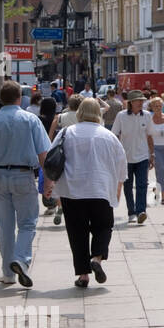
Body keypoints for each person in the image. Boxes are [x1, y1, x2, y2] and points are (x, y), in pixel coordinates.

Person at [0, 81, 53, 288]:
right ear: (19, 98)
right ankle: (21, 260)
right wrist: (48, 181)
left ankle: (7, 273)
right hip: (23, 176)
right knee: (28, 223)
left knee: (5, 227)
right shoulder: (30, 119)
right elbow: (43, 153)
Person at [51, 98, 128, 288]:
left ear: (79, 113)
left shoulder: (66, 133)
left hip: (72, 190)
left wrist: (52, 185)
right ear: (99, 113)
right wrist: (117, 189)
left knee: (77, 232)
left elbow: (52, 156)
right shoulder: (108, 136)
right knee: (103, 226)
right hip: (100, 189)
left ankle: (83, 274)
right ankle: (97, 258)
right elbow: (121, 165)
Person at [112, 90, 155, 224]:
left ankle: (141, 211)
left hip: (142, 156)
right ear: (131, 103)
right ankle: (131, 212)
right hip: (125, 157)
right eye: (138, 100)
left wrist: (152, 154)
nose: (141, 103)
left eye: (142, 100)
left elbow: (149, 136)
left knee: (142, 184)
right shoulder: (121, 116)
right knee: (128, 186)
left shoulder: (147, 116)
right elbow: (114, 135)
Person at [147, 97, 164, 206]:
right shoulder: (149, 120)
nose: (158, 108)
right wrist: (151, 153)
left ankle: (158, 187)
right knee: (160, 170)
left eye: (159, 105)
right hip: (156, 149)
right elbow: (148, 137)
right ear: (151, 107)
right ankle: (163, 195)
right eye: (155, 106)